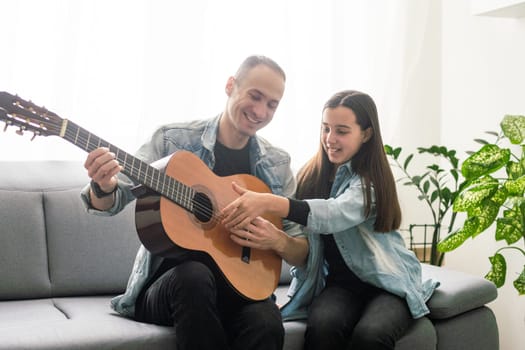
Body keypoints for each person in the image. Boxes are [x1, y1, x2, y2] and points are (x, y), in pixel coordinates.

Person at [80, 55, 309, 350]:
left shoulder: (277, 164)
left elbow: (301, 251)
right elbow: (114, 199)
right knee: (194, 276)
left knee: (266, 322)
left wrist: (276, 239)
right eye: (255, 96)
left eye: (272, 104)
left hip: (241, 289)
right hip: (170, 287)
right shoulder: (172, 141)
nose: (260, 111)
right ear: (230, 85)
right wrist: (103, 185)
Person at [222, 90, 439, 350]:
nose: (330, 139)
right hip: (340, 285)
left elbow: (333, 213)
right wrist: (273, 236)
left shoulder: (369, 182)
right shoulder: (310, 176)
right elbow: (303, 245)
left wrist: (267, 201)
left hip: (387, 283)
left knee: (370, 336)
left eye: (342, 131)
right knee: (323, 328)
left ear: (366, 134)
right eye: (326, 129)